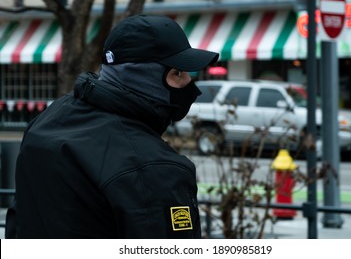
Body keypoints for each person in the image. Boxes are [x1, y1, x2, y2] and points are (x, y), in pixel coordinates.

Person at [7, 14, 219, 238]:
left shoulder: (49, 119)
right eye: (178, 73)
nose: (189, 83)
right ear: (143, 77)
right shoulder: (152, 167)